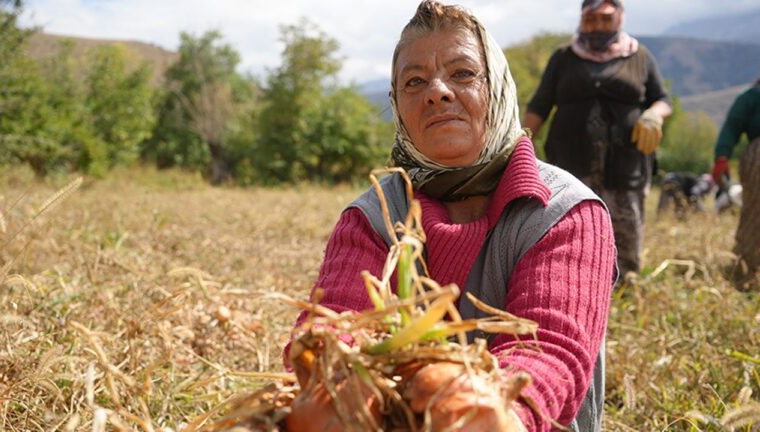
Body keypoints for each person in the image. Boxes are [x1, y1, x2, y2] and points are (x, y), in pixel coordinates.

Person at [286, 1, 616, 431]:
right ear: (397, 105)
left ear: (497, 87)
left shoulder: (564, 212)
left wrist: (489, 411)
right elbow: (334, 325)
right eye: (414, 81)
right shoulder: (374, 216)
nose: (436, 91)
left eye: (463, 74)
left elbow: (549, 352)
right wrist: (338, 381)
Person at [523, 0, 672, 280]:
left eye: (606, 19)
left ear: (620, 18)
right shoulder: (564, 57)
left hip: (626, 161)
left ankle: (627, 279)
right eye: (592, 20)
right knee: (571, 219)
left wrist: (654, 115)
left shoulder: (639, 56)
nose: (598, 26)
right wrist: (520, 145)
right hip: (571, 160)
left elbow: (662, 99)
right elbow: (539, 106)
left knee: (626, 220)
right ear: (582, 20)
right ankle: (574, 279)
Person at [712, 78, 760, 287]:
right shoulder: (752, 97)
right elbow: (732, 127)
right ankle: (747, 266)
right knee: (755, 212)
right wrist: (722, 157)